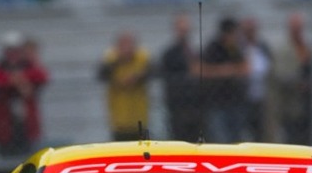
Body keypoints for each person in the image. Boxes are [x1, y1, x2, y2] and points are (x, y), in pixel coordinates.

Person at [0, 32, 49, 158]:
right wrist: (16, 81)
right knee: (5, 154)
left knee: (28, 155)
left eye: (16, 51)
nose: (13, 55)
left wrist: (19, 79)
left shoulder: (29, 66)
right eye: (10, 51)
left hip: (26, 124)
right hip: (4, 124)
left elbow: (41, 76)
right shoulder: (0, 66)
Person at [201, 17, 249, 143]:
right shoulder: (213, 48)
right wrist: (223, 71)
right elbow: (200, 69)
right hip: (216, 102)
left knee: (237, 139)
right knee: (220, 139)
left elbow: (246, 68)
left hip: (235, 101)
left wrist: (231, 70)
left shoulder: (236, 49)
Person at [97, 31, 151, 141]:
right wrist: (118, 60)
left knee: (143, 151)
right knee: (121, 151)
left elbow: (154, 71)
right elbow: (101, 74)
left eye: (129, 45)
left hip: (140, 118)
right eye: (123, 45)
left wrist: (137, 78)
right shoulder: (111, 59)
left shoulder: (141, 57)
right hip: (119, 120)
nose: (127, 49)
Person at [271, 12, 311, 145]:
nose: (297, 32)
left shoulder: (308, 48)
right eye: (295, 28)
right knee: (291, 135)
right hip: (290, 103)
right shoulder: (283, 50)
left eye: (300, 28)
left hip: (308, 102)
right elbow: (281, 74)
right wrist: (297, 82)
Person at [159, 13, 200, 142]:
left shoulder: (194, 52)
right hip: (178, 104)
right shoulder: (170, 54)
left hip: (195, 104)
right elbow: (169, 76)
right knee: (179, 137)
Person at [241, 17, 272, 141]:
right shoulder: (239, 48)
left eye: (252, 30)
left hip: (261, 97)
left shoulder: (262, 47)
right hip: (243, 98)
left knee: (261, 130)